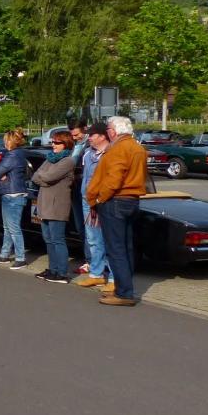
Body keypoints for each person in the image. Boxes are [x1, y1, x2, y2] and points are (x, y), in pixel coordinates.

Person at [85, 116, 147, 306]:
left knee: (116, 249)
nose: (108, 132)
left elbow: (114, 178)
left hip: (115, 201)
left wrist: (99, 198)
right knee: (125, 248)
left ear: (114, 131)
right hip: (131, 200)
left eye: (109, 128)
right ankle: (124, 289)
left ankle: (124, 293)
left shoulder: (119, 148)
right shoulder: (137, 147)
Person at [73, 122, 114, 291]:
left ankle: (113, 277)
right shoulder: (88, 153)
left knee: (109, 239)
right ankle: (96, 274)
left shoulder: (111, 153)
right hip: (86, 200)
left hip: (103, 201)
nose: (88, 138)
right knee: (93, 239)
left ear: (102, 136)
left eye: (92, 135)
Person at [33, 129, 75, 283]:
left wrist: (43, 177)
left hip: (57, 205)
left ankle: (62, 273)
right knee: (48, 239)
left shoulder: (68, 161)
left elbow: (49, 176)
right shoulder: (50, 158)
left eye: (57, 142)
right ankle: (52, 269)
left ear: (66, 144)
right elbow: (35, 176)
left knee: (58, 239)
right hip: (45, 204)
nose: (54, 145)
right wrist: (44, 178)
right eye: (52, 142)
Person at [0, 128, 30, 269]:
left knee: (13, 228)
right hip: (12, 192)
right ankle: (4, 255)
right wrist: (1, 173)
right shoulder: (17, 154)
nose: (4, 143)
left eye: (6, 140)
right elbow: (2, 172)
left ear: (10, 141)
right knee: (7, 227)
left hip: (13, 194)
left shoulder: (12, 155)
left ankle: (20, 257)